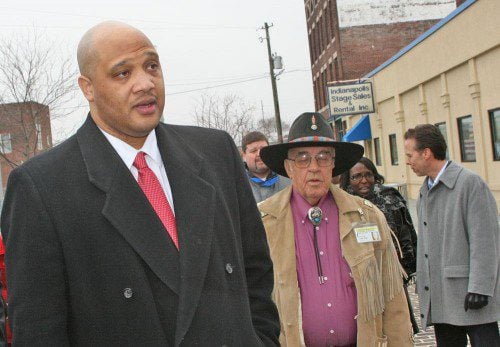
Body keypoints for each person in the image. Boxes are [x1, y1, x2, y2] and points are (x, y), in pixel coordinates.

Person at [0, 21, 280, 345]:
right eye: (123, 73)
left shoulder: (216, 153)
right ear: (87, 87)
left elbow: (256, 274)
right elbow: (39, 331)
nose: (145, 83)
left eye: (151, 66)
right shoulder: (42, 188)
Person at [258, 112, 413, 346]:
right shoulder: (262, 223)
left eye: (323, 157)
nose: (314, 167)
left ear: (334, 166)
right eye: (302, 158)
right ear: (289, 168)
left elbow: (393, 301)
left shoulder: (367, 216)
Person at [404, 124, 500, 346]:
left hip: (470, 294)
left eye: (410, 155)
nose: (408, 161)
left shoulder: (469, 183)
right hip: (441, 296)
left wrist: (480, 287)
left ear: (426, 152)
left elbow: (485, 240)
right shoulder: (424, 190)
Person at [340, 157, 419, 334]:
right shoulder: (342, 204)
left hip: (392, 275)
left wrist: (407, 269)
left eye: (368, 174)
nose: (363, 180)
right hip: (359, 282)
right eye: (357, 176)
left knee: (398, 329)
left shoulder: (390, 198)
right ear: (348, 180)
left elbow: (407, 235)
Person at [241, 131, 290, 202]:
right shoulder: (238, 186)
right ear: (244, 155)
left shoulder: (289, 177)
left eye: (263, 149)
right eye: (253, 151)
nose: (259, 154)